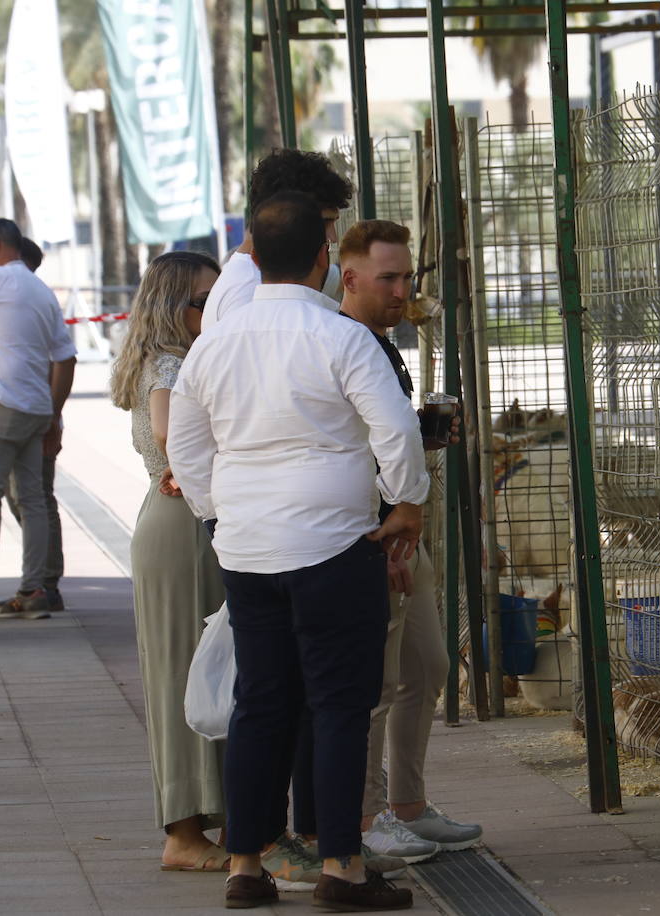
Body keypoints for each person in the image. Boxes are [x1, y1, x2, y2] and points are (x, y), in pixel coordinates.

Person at [167, 191, 427, 912]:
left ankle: (245, 864)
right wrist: (407, 502)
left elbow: (185, 445)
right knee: (339, 704)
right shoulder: (339, 337)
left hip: (247, 549)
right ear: (323, 258)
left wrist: (217, 514)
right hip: (334, 543)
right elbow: (395, 430)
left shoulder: (216, 340)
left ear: (253, 254)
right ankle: (341, 866)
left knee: (261, 703)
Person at [337, 220, 482, 858]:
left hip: (403, 520)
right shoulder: (342, 342)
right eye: (389, 279)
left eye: (408, 278)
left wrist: (421, 433)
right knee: (377, 682)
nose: (403, 293)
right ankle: (366, 818)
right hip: (375, 527)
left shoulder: (382, 343)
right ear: (349, 278)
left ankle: (407, 804)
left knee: (427, 663)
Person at [110, 251, 229, 872]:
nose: (214, 310)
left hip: (183, 526)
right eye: (203, 300)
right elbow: (165, 431)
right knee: (186, 676)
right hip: (181, 530)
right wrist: (194, 465)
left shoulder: (181, 358)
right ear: (171, 305)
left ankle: (211, 820)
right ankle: (184, 835)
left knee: (205, 673)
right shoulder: (167, 363)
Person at [0, 219, 76, 621]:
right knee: (32, 501)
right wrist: (54, 413)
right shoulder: (41, 290)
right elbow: (65, 357)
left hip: (0, 405)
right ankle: (34, 590)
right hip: (35, 409)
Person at [202, 148, 352, 332]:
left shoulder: (260, 278)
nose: (333, 238)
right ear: (285, 211)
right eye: (325, 222)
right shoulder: (250, 289)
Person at [4, 237, 65, 612]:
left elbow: (62, 360)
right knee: (24, 496)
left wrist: (54, 417)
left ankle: (46, 581)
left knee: (36, 498)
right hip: (26, 411)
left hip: (36, 414)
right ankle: (41, 577)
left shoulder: (36, 301)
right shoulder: (26, 300)